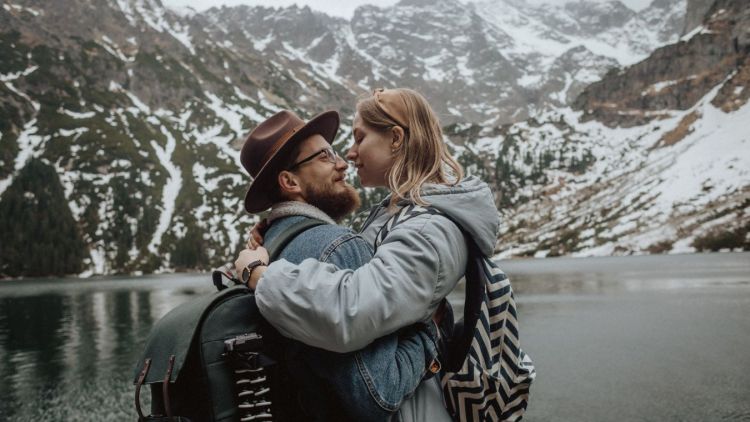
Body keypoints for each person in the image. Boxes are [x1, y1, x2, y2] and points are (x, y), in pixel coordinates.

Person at [237, 88, 501, 421]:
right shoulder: (396, 215)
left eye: (358, 138)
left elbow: (350, 310)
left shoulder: (428, 230)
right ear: (288, 182)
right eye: (327, 155)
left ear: (395, 139)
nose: (347, 157)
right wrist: (280, 228)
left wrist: (259, 273)